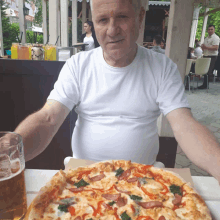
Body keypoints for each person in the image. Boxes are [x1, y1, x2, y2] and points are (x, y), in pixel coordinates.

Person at [14, 0, 220, 184]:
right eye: (102, 20)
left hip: (143, 181)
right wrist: (10, 151)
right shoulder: (77, 65)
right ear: (94, 24)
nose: (112, 30)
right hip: (84, 181)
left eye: (122, 16)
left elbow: (185, 126)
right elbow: (48, 118)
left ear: (140, 18)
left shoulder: (162, 67)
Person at [199, 25, 220, 89]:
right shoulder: (207, 38)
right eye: (209, 29)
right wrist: (203, 47)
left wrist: (206, 47)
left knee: (209, 71)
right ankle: (204, 84)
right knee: (205, 70)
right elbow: (204, 47)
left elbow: (216, 47)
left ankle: (206, 85)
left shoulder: (216, 38)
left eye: (211, 29)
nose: (210, 31)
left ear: (214, 30)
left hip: (212, 56)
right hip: (206, 55)